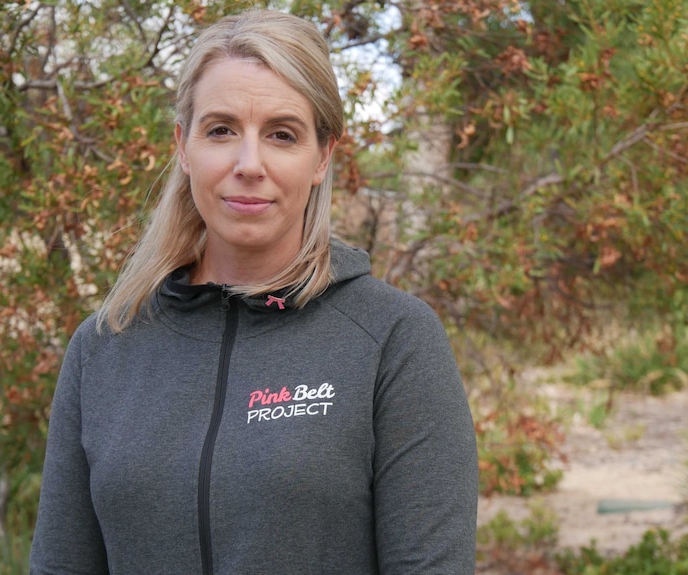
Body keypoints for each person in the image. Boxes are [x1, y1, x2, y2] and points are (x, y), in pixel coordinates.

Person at [30, 9, 478, 575]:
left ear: (322, 157)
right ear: (184, 147)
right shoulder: (103, 348)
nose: (249, 164)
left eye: (282, 135)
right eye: (220, 130)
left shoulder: (392, 339)